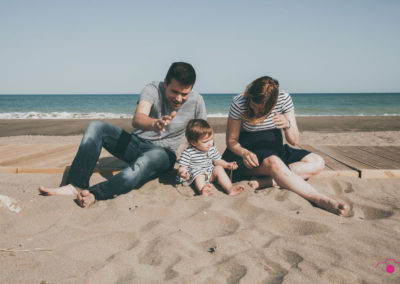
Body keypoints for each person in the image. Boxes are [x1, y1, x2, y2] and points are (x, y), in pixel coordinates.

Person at [39, 62, 207, 207]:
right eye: (175, 92)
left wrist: (209, 167)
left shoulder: (197, 101)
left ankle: (95, 194)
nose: (179, 98)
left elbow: (203, 137)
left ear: (191, 89)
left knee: (144, 162)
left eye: (184, 94)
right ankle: (75, 184)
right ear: (165, 84)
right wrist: (154, 124)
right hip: (135, 144)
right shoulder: (153, 89)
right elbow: (138, 118)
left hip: (163, 154)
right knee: (96, 126)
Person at [222, 76, 347, 215]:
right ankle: (319, 199)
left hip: (276, 150)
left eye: (261, 110)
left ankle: (267, 181)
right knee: (274, 163)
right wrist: (244, 153)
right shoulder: (239, 102)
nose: (256, 112)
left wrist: (287, 125)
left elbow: (294, 140)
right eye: (254, 106)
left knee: (318, 162)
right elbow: (231, 141)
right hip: (248, 156)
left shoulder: (283, 98)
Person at [177, 119, 244, 196]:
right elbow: (183, 166)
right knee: (199, 174)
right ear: (193, 142)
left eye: (211, 139)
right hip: (194, 176)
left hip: (209, 173)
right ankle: (203, 190)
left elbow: (217, 161)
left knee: (218, 168)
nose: (209, 143)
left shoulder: (211, 148)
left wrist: (227, 164)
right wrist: (183, 172)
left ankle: (230, 188)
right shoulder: (189, 152)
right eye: (205, 141)